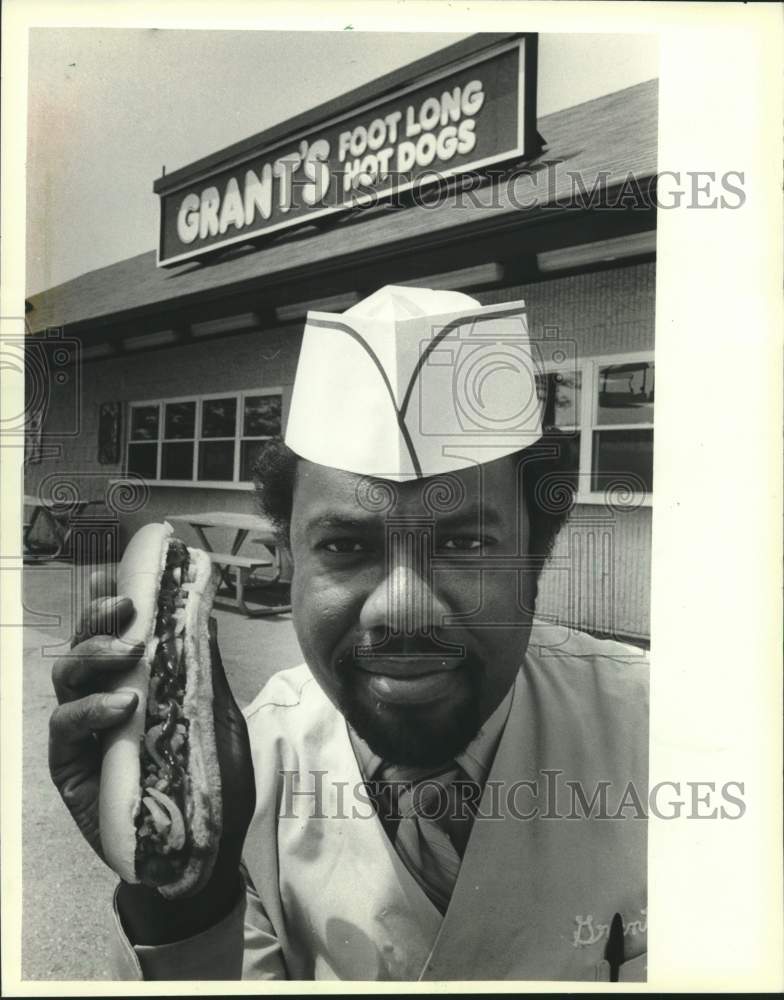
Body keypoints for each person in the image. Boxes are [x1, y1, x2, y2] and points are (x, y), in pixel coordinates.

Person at [49, 286, 648, 981]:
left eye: (466, 546)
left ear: (535, 561)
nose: (401, 609)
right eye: (345, 547)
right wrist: (184, 890)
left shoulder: (664, 735)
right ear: (290, 561)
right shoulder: (254, 767)